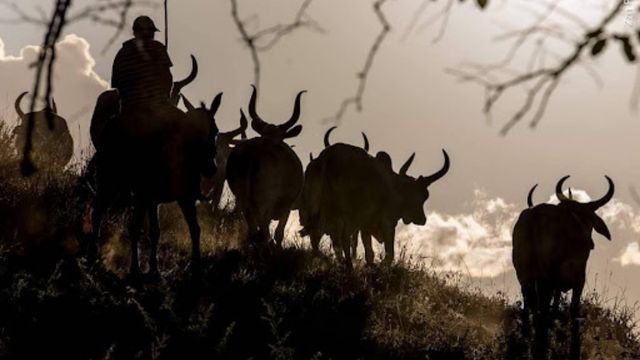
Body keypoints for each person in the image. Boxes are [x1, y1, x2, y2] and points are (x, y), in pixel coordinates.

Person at [112, 16, 173, 108]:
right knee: (186, 121)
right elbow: (167, 77)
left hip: (127, 107)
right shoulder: (157, 47)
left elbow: (116, 84)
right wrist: (166, 97)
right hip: (156, 105)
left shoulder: (121, 53)